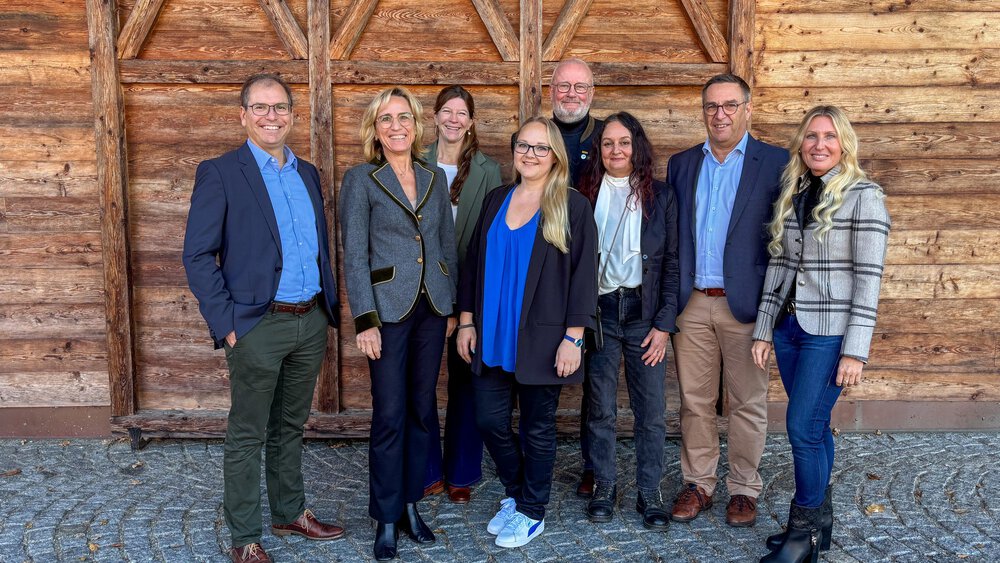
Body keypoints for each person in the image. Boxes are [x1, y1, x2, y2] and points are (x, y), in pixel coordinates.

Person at [182, 73, 344, 563]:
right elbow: (197, 255)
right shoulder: (221, 172)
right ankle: (245, 537)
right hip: (256, 325)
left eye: (279, 108)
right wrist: (228, 322)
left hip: (310, 320)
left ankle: (290, 512)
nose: (271, 116)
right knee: (248, 433)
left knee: (290, 426)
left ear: (292, 115)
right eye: (260, 107)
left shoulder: (307, 173)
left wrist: (326, 309)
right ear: (243, 114)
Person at [751, 106, 890, 563]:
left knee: (799, 427)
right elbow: (781, 264)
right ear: (801, 143)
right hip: (791, 328)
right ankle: (819, 526)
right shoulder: (797, 190)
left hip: (830, 335)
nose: (819, 144)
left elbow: (869, 279)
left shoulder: (864, 196)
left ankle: (800, 533)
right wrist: (764, 328)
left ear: (844, 143)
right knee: (814, 426)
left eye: (829, 136)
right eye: (811, 136)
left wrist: (856, 352)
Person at [456, 117, 597, 548]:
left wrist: (574, 337)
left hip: (543, 338)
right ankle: (518, 494)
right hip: (493, 333)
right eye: (523, 146)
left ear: (555, 156)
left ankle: (533, 511)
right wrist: (465, 321)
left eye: (540, 147)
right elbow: (472, 263)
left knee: (538, 428)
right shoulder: (498, 198)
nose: (530, 154)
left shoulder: (570, 205)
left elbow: (584, 274)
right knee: (489, 420)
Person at [339, 86, 459, 561]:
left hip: (432, 310)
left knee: (421, 411)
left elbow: (445, 244)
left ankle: (412, 504)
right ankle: (385, 517)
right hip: (386, 314)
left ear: (416, 125)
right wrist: (364, 320)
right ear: (375, 128)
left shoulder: (432, 176)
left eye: (403, 117)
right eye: (386, 119)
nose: (396, 126)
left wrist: (449, 307)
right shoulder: (362, 179)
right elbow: (354, 254)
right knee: (389, 414)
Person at [666, 73, 789, 528]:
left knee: (747, 401)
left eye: (730, 105)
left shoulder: (775, 162)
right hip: (693, 302)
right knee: (694, 401)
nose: (720, 114)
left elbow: (784, 241)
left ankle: (743, 488)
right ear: (703, 111)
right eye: (712, 106)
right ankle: (698, 482)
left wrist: (773, 311)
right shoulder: (681, 164)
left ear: (747, 109)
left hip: (747, 305)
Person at [577, 112, 679, 530]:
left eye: (623, 142)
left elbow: (672, 263)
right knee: (599, 407)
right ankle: (604, 483)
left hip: (643, 314)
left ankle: (649, 490)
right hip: (599, 312)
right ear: (598, 150)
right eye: (607, 143)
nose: (616, 150)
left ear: (636, 145)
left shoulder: (661, 195)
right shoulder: (583, 192)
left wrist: (664, 325)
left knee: (650, 410)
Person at [422, 85, 503, 504]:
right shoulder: (413, 162)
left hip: (469, 290)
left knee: (465, 383)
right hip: (421, 291)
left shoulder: (487, 171)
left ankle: (461, 473)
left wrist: (465, 305)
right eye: (446, 111)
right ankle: (427, 470)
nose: (453, 119)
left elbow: (487, 238)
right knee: (418, 385)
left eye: (462, 113)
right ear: (434, 117)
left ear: (471, 121)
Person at [549, 57, 605, 497]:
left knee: (594, 376)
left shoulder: (607, 136)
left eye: (579, 87)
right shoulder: (533, 136)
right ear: (550, 91)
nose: (571, 94)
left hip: (595, 268)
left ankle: (592, 464)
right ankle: (537, 454)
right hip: (545, 271)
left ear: (592, 92)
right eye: (563, 86)